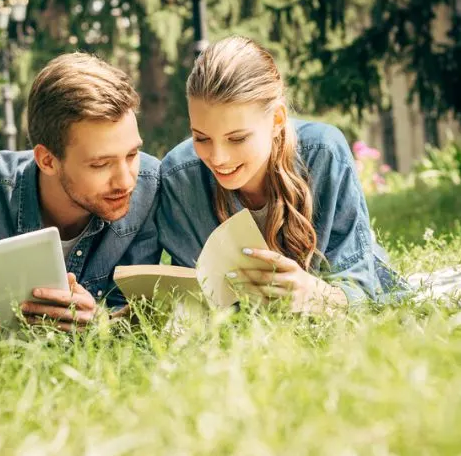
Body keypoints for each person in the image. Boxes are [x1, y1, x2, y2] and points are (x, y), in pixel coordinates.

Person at [158, 35, 406, 313]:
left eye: (237, 138)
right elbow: (195, 299)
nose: (218, 158)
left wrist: (317, 294)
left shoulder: (324, 153)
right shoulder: (178, 176)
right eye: (201, 138)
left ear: (276, 120)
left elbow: (361, 287)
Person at [0, 52, 161, 336]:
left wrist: (98, 323)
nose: (126, 180)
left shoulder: (148, 185)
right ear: (47, 160)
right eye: (100, 164)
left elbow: (137, 327)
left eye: (132, 154)